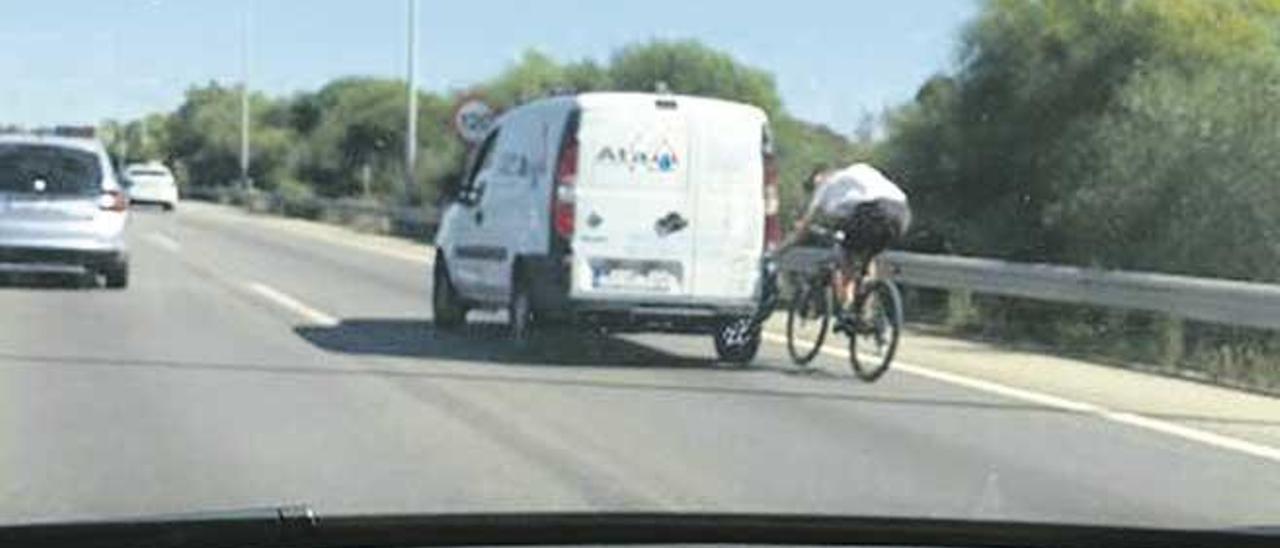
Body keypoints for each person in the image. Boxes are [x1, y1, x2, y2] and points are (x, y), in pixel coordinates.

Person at [778, 162, 911, 332]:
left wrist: (778, 251)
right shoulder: (861, 171)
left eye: (812, 185)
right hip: (901, 213)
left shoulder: (825, 185)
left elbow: (802, 230)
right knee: (866, 256)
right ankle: (866, 308)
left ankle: (851, 312)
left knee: (846, 257)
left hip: (871, 211)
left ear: (819, 178)